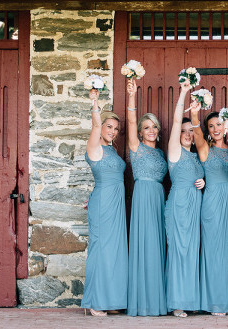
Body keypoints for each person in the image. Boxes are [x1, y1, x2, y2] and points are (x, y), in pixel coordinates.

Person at [80, 89, 127, 316]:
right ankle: (95, 302)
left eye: (116, 129)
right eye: (110, 126)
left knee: (114, 251)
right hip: (104, 203)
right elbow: (96, 127)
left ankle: (109, 299)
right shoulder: (94, 146)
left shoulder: (111, 150)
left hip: (115, 203)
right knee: (101, 250)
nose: (113, 131)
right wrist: (95, 103)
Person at [125, 77, 168, 316]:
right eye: (147, 127)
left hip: (159, 197)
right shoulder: (136, 148)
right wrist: (132, 94)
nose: (151, 131)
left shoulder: (162, 153)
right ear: (140, 132)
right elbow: (131, 120)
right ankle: (142, 301)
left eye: (154, 127)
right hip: (143, 196)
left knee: (158, 245)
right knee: (145, 246)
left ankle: (157, 300)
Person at [190, 107, 228, 315]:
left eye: (219, 124)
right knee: (213, 250)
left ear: (226, 125)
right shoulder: (205, 149)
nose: (215, 129)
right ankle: (214, 301)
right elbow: (196, 131)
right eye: (211, 126)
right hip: (213, 201)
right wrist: (194, 112)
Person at [164, 81, 205, 317]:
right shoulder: (174, 151)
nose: (188, 135)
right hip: (179, 206)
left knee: (192, 252)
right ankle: (177, 303)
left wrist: (204, 182)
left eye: (191, 131)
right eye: (184, 131)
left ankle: (190, 299)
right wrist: (183, 92)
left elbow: (202, 174)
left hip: (195, 207)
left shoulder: (197, 156)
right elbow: (177, 120)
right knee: (179, 251)